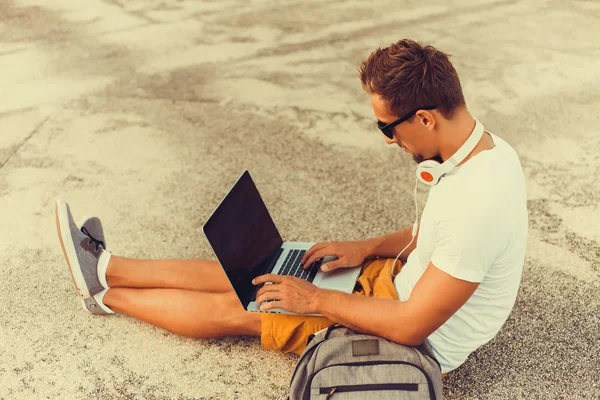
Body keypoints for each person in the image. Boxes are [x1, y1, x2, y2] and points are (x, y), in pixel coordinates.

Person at [55, 39, 528, 375]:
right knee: (254, 272)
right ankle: (107, 265)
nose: (389, 140)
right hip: (397, 286)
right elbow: (432, 235)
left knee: (244, 311)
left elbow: (412, 324)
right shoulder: (482, 152)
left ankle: (103, 298)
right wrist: (365, 248)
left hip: (414, 337)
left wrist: (315, 301)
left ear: (424, 118)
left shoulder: (477, 203)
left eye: (387, 128)